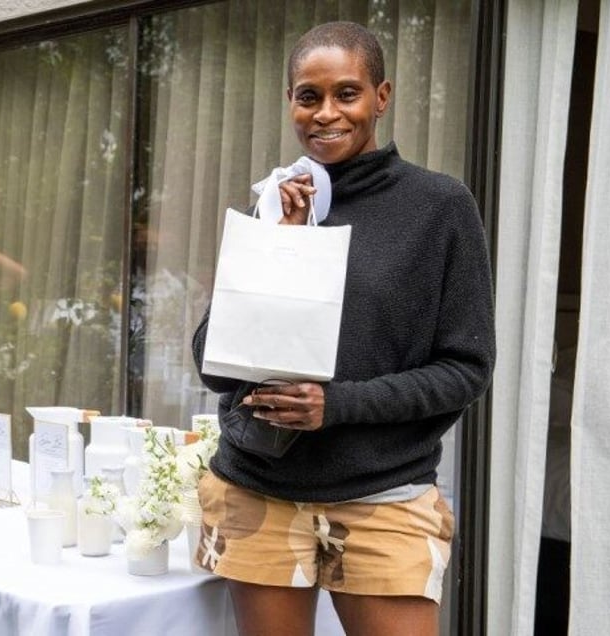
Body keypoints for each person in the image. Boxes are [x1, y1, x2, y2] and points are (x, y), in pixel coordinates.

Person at [191, 21, 495, 636]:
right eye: (309, 96)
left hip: (383, 494)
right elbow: (213, 363)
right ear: (291, 103)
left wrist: (338, 405)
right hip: (260, 488)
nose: (326, 113)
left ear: (381, 97)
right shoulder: (277, 204)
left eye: (346, 93)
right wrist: (277, 243)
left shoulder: (439, 207)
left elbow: (466, 368)